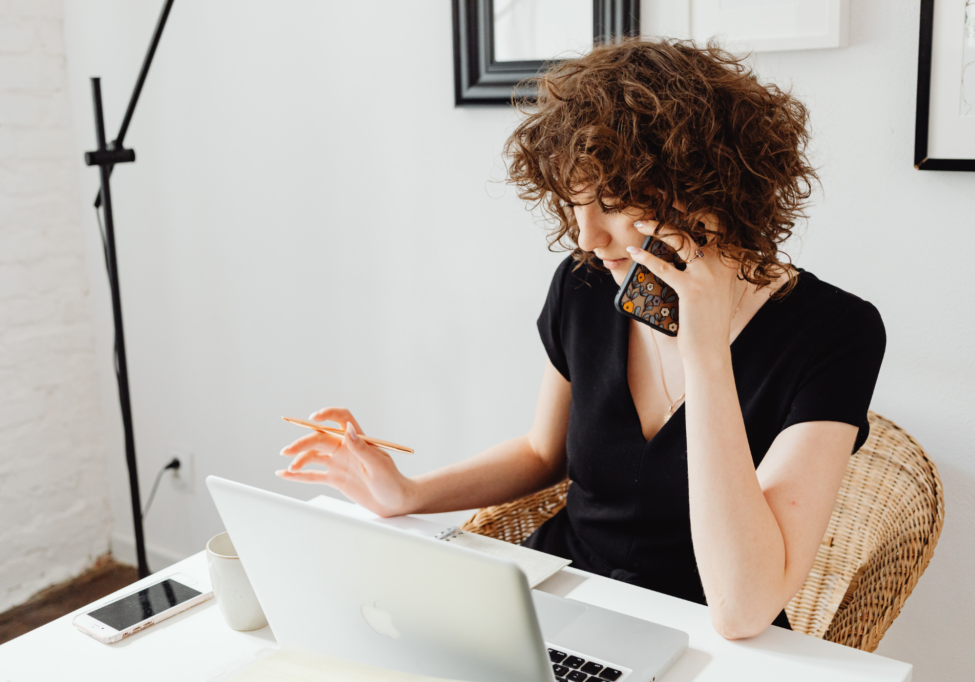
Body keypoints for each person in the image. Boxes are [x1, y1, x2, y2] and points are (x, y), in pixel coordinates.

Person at [276, 37, 886, 640]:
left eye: (614, 202)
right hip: (556, 606)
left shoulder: (836, 333)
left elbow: (742, 606)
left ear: (709, 191)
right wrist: (407, 494)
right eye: (574, 203)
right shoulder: (586, 284)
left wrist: (705, 356)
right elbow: (545, 454)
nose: (586, 236)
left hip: (700, 642)